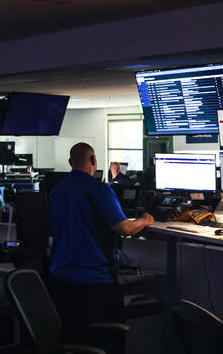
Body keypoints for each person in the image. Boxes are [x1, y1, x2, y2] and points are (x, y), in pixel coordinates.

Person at [47, 142, 153, 341]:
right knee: (112, 342)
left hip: (61, 280)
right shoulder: (98, 189)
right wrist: (145, 219)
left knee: (72, 340)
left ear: (70, 162)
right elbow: (123, 228)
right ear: (94, 160)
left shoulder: (57, 190)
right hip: (95, 280)